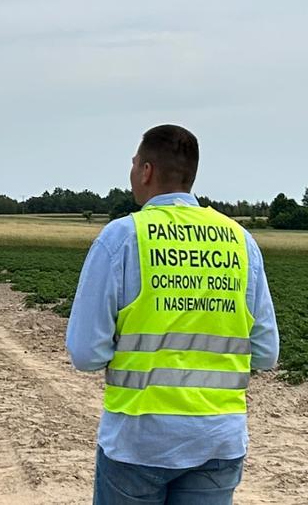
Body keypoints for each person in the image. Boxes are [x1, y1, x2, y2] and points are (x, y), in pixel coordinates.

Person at [67, 124, 280, 505]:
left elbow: (85, 354)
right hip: (219, 439)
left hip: (138, 442)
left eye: (134, 164)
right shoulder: (241, 241)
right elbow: (266, 353)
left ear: (146, 171)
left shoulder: (122, 238)